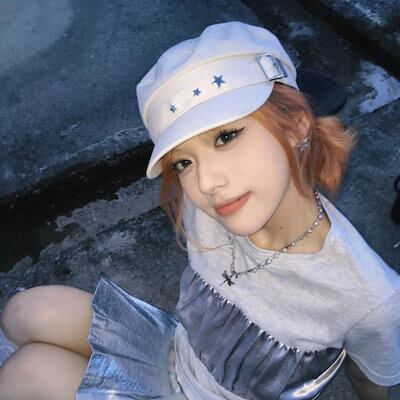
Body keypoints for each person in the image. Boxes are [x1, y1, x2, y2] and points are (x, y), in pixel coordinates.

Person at [0, 21, 399, 400]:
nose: (205, 182)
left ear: (296, 125)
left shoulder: (369, 298)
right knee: (23, 312)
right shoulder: (208, 205)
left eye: (225, 136)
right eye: (183, 162)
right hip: (175, 352)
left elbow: (370, 379)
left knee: (29, 372)